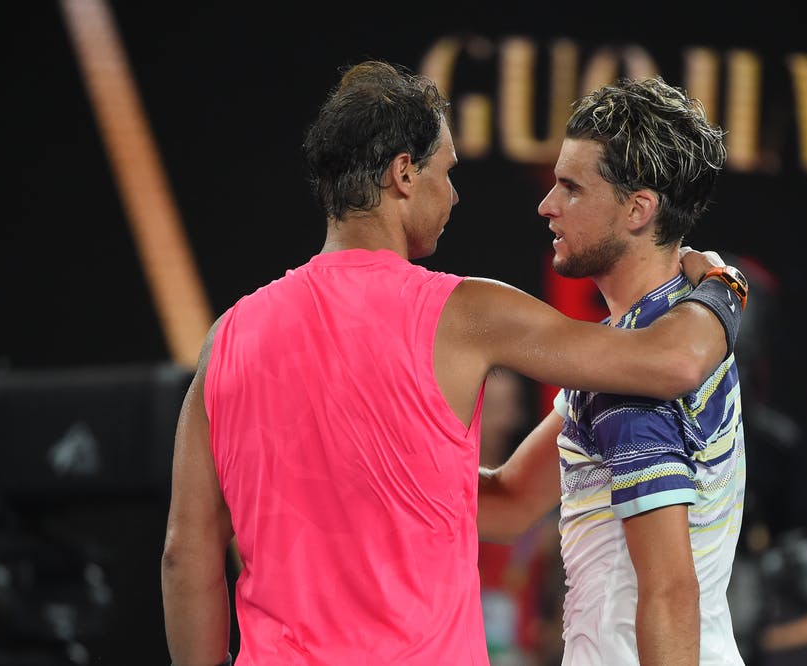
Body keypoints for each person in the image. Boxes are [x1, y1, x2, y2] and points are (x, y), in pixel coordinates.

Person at [161, 60, 746, 666]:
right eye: (447, 172)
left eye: (570, 187)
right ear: (404, 175)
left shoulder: (227, 337)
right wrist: (726, 287)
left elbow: (186, 552)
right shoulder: (468, 315)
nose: (456, 194)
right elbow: (670, 361)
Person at [478, 76, 748, 665]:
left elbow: (670, 591)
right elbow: (506, 504)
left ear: (638, 209)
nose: (547, 205)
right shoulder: (638, 345)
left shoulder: (632, 374)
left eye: (571, 188)